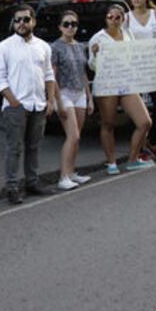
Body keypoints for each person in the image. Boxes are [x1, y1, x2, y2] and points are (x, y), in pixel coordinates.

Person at [0, 5, 56, 203]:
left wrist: (50, 100)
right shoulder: (4, 47)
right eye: (17, 20)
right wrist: (14, 103)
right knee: (14, 148)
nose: (21, 23)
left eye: (25, 20)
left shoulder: (44, 47)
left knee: (34, 146)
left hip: (38, 105)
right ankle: (12, 187)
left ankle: (32, 182)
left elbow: (48, 75)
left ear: (33, 22)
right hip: (16, 107)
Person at [89, 4, 154, 173]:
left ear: (123, 19)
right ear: (106, 18)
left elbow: (134, 56)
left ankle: (133, 158)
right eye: (110, 17)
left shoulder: (128, 34)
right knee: (108, 123)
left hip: (126, 82)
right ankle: (111, 163)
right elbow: (92, 66)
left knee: (144, 122)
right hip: (107, 84)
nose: (113, 20)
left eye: (117, 17)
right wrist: (96, 55)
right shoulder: (98, 38)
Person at [124, 0, 156, 162]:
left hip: (154, 67)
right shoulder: (127, 18)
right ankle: (140, 148)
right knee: (140, 111)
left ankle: (152, 141)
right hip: (135, 68)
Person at [50, 11, 93, 191]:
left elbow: (83, 73)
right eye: (66, 24)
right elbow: (51, 75)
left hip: (80, 93)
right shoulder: (55, 47)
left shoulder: (80, 46)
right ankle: (63, 176)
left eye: (73, 24)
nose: (70, 27)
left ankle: (72, 171)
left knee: (77, 137)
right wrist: (56, 100)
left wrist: (90, 98)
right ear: (60, 27)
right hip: (64, 92)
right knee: (72, 135)